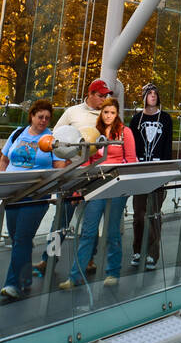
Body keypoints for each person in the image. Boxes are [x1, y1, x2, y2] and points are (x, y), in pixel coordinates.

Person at [34, 78, 111, 280]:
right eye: (101, 95)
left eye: (106, 96)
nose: (104, 99)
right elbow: (55, 138)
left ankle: (89, 258)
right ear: (91, 94)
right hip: (71, 173)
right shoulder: (72, 112)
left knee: (91, 221)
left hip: (95, 173)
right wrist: (61, 163)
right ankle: (49, 258)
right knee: (60, 218)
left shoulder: (108, 116)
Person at [59, 96, 136, 291]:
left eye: (112, 112)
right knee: (88, 232)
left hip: (116, 187)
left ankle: (112, 272)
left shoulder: (125, 133)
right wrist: (79, 188)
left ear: (117, 114)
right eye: (105, 112)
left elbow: (131, 160)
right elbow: (86, 161)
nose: (109, 116)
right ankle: (75, 275)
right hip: (95, 186)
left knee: (112, 232)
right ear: (101, 113)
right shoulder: (93, 133)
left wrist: (121, 179)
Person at [0, 99, 65, 300]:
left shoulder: (52, 139)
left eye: (47, 118)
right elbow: (4, 159)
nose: (43, 121)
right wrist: (1, 182)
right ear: (32, 116)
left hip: (36, 195)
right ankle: (25, 278)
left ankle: (13, 284)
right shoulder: (18, 133)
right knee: (18, 237)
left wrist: (48, 182)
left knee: (22, 238)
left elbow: (60, 166)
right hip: (12, 193)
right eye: (40, 117)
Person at [129, 82, 173, 269]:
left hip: (158, 170)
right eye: (149, 93)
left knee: (154, 213)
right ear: (144, 96)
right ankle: (137, 250)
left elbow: (168, 146)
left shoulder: (166, 118)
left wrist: (166, 170)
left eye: (155, 93)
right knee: (139, 214)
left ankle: (152, 254)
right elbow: (131, 146)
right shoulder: (136, 119)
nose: (153, 96)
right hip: (139, 171)